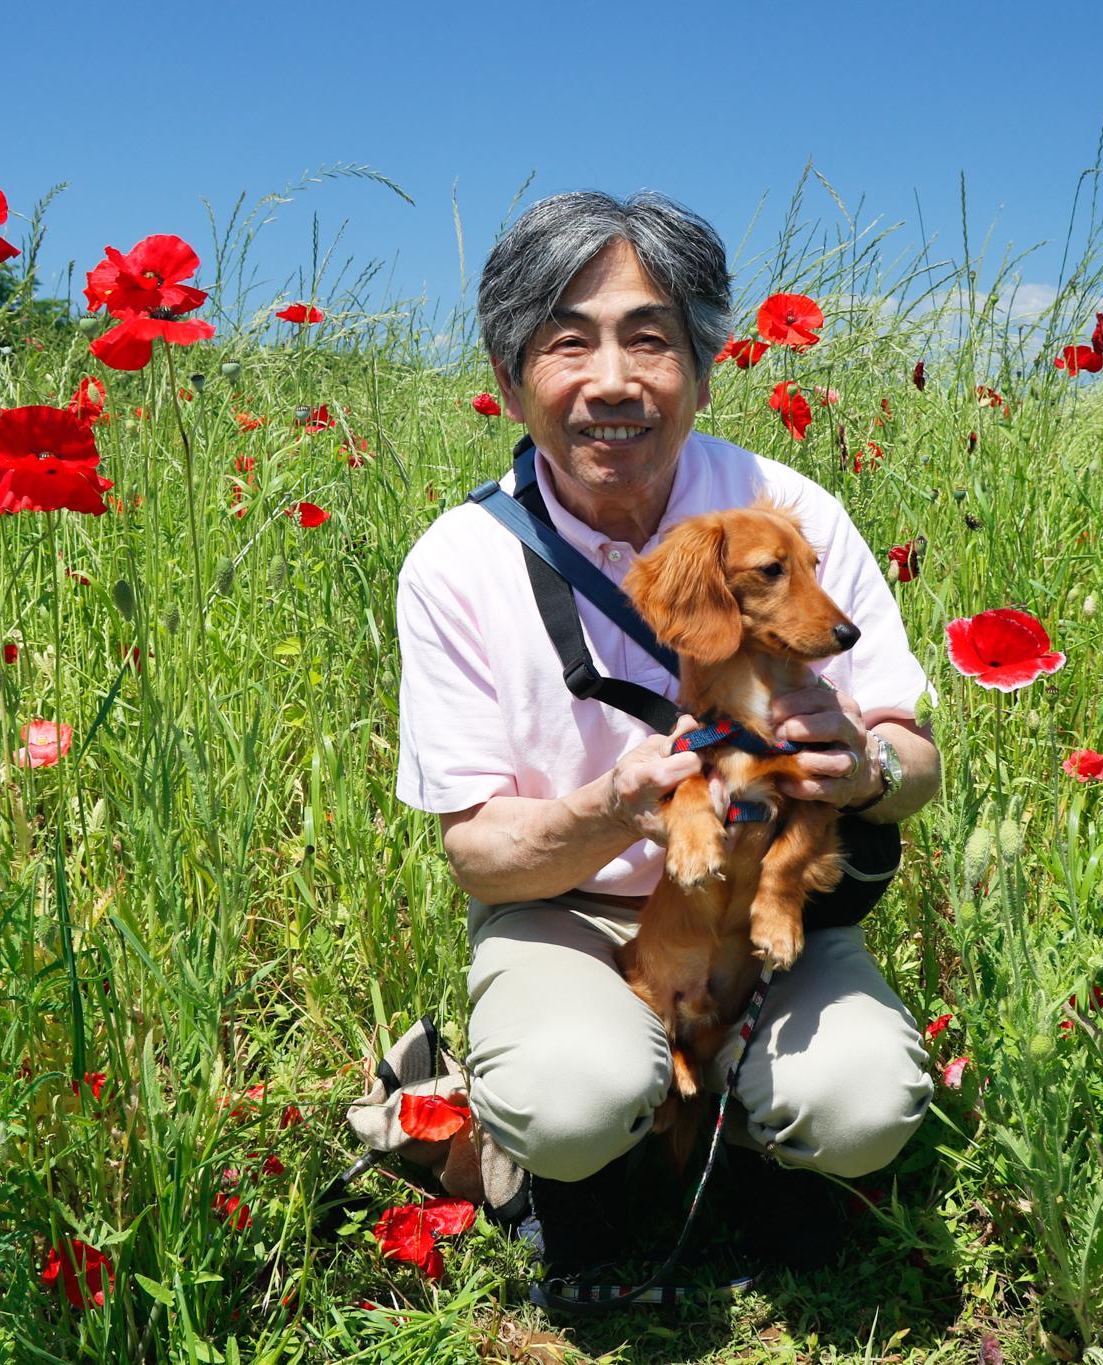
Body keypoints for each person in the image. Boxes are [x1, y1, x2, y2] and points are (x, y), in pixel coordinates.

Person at [393, 190, 940, 1278]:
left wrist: (863, 763)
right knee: (572, 1094)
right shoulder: (457, 563)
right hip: (573, 915)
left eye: (648, 338)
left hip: (768, 905)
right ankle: (559, 1154)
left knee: (866, 1102)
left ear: (699, 364)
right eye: (566, 343)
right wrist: (614, 804)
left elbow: (912, 761)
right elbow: (478, 852)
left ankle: (751, 1146)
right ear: (509, 382)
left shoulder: (786, 509)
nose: (612, 381)